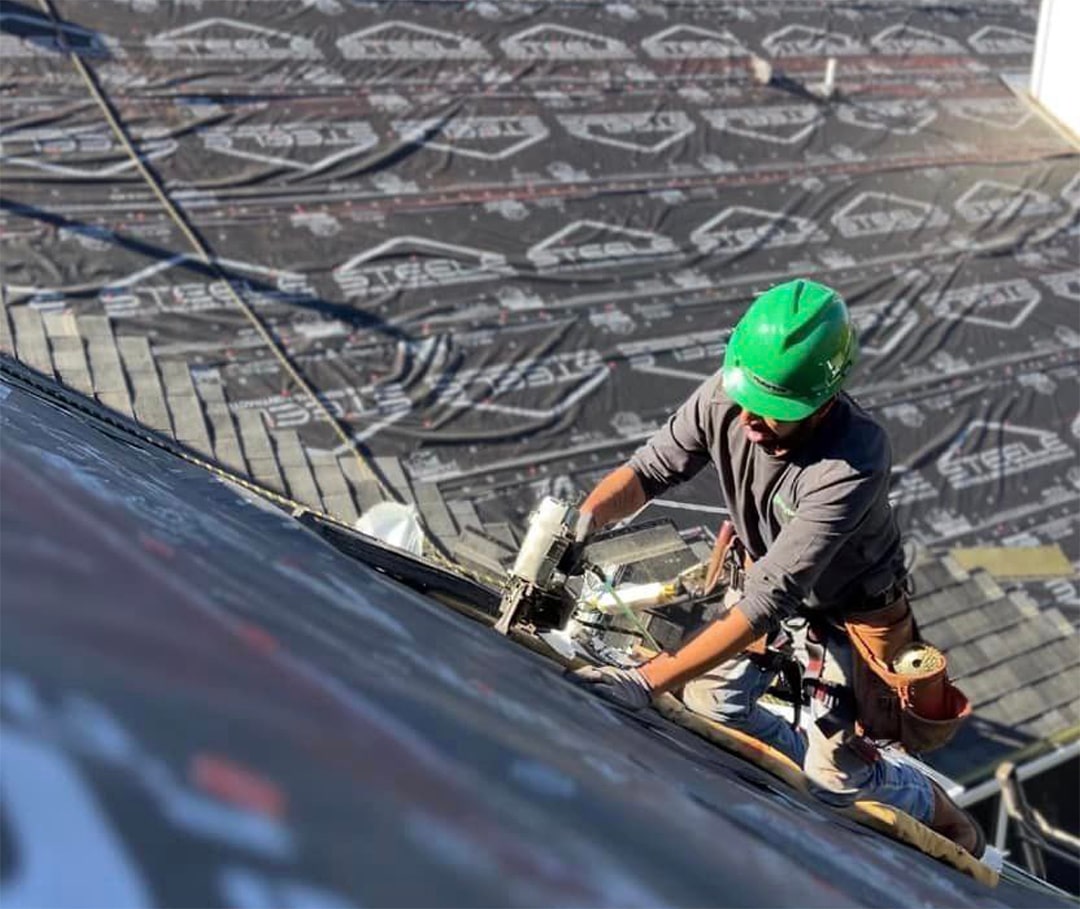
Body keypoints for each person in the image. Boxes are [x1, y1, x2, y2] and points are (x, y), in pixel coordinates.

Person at [568, 278, 984, 856]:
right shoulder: (729, 396)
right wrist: (583, 521)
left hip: (850, 616)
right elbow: (650, 470)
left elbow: (770, 600)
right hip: (766, 580)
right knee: (713, 707)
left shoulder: (853, 458)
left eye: (776, 414)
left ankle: (922, 796)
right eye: (747, 403)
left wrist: (643, 682)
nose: (751, 422)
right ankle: (805, 749)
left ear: (823, 401)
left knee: (838, 784)